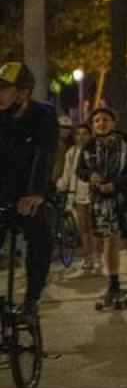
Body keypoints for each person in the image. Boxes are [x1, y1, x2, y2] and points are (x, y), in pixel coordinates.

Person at [0, 62, 60, 317]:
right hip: (2, 190)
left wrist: (35, 192)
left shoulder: (43, 115)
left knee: (40, 235)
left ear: (23, 93)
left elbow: (44, 153)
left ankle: (32, 297)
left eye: (4, 89)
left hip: (29, 192)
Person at [79, 106, 127, 307]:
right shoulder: (89, 147)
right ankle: (113, 283)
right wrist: (89, 176)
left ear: (113, 123)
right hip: (101, 201)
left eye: (105, 119)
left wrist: (116, 184)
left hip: (126, 199)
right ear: (93, 125)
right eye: (97, 121)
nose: (101, 123)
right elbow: (80, 170)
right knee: (110, 239)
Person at [57, 122, 98, 275]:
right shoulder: (71, 153)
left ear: (90, 135)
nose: (81, 137)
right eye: (78, 134)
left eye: (85, 134)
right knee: (83, 227)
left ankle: (97, 256)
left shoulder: (95, 151)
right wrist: (60, 186)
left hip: (94, 193)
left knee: (94, 226)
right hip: (78, 195)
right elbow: (67, 174)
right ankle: (88, 257)